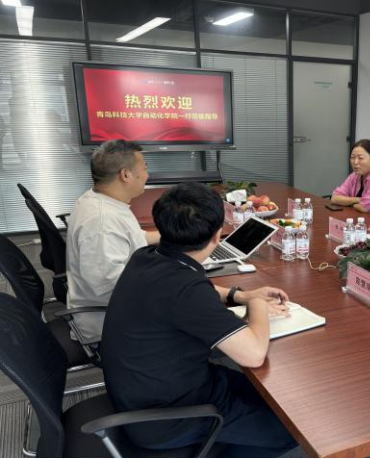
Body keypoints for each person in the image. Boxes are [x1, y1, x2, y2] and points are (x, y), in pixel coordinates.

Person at [101, 182, 296, 456]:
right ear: (217, 236)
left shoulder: (148, 257)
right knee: (290, 431)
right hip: (168, 417)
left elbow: (196, 290)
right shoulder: (185, 289)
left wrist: (239, 295)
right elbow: (253, 355)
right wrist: (257, 305)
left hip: (154, 388)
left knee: (286, 404)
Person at [66, 139, 160, 344]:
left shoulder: (101, 200)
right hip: (110, 325)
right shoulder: (102, 223)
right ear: (126, 175)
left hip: (121, 306)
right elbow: (111, 287)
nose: (147, 175)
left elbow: (133, 237)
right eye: (145, 168)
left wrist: (176, 236)